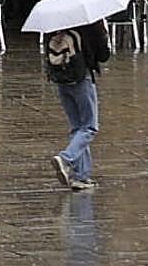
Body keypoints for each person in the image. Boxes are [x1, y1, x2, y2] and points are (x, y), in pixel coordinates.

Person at [46, 20, 111, 192]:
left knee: (77, 129)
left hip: (62, 80)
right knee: (90, 127)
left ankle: (80, 177)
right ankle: (66, 158)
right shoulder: (91, 25)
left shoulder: (56, 25)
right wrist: (103, 34)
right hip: (82, 79)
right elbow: (103, 55)